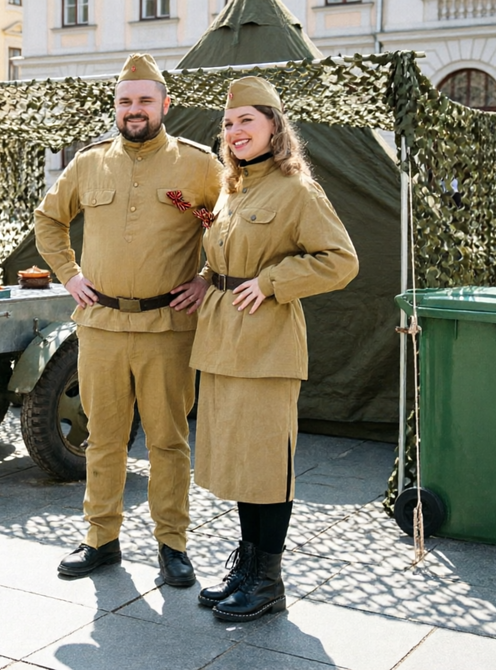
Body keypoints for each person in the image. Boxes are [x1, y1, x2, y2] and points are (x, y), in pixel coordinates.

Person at [35, 53, 222, 587]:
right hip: (101, 327)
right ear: (115, 106)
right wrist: (69, 275)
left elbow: (226, 226)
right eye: (125, 101)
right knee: (103, 439)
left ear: (165, 104)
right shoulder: (90, 163)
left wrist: (208, 277)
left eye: (144, 100)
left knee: (167, 441)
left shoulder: (199, 165)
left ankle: (172, 545)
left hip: (168, 328)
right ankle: (100, 538)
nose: (134, 110)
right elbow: (50, 219)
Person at [188, 77, 358, 622]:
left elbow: (340, 260)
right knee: (242, 464)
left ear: (274, 127)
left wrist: (273, 282)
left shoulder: (296, 189)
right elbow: (225, 252)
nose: (235, 132)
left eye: (247, 121)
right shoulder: (232, 188)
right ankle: (246, 569)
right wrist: (204, 278)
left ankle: (268, 581)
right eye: (229, 123)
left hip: (266, 346)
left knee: (266, 467)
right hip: (221, 341)